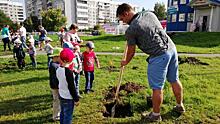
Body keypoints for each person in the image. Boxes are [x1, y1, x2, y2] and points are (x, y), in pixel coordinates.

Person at [116, 3, 185, 122]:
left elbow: (131, 52)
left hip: (159, 55)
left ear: (126, 13)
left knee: (157, 88)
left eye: (122, 19)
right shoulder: (149, 14)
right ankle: (180, 106)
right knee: (174, 79)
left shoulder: (132, 29)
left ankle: (156, 115)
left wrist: (125, 61)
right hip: (172, 49)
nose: (123, 22)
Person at [56, 48, 79, 124]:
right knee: (68, 116)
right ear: (68, 61)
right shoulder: (69, 73)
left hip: (61, 95)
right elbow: (72, 87)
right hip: (68, 98)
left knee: (63, 112)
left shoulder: (58, 69)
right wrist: (76, 99)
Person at [48, 47, 62, 121]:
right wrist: (58, 86)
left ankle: (59, 113)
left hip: (56, 85)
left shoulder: (55, 64)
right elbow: (54, 78)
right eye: (60, 57)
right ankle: (56, 116)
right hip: (56, 86)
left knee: (58, 100)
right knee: (56, 100)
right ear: (56, 57)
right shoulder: (54, 66)